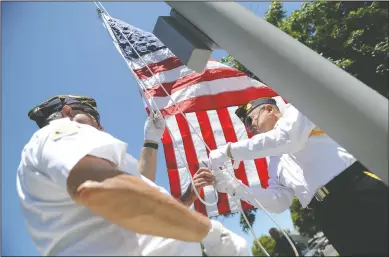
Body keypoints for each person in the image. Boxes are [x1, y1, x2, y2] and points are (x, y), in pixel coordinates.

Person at [17, 94, 250, 256]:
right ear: (68, 112)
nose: (101, 129)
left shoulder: (55, 151)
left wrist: (151, 140)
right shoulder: (61, 131)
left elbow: (138, 185)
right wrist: (211, 234)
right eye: (97, 122)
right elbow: (106, 190)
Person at [208, 97, 388, 256]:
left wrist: (229, 151)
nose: (250, 128)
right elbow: (279, 201)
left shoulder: (297, 112)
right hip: (327, 214)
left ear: (269, 109)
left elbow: (288, 139)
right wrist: (235, 187)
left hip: (355, 188)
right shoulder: (275, 161)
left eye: (250, 120)